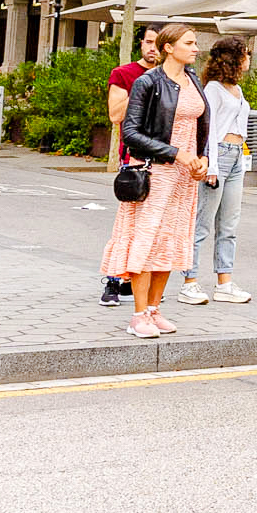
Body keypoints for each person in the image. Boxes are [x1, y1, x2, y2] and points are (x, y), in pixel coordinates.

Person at [103, 24, 216, 339]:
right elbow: (130, 132)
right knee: (147, 240)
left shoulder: (193, 79)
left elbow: (203, 126)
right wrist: (177, 153)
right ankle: (138, 315)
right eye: (189, 43)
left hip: (184, 175)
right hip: (154, 171)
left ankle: (154, 309)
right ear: (169, 47)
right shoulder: (148, 82)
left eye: (195, 43)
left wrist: (203, 158)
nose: (195, 48)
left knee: (170, 240)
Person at [178, 37, 253, 306]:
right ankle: (189, 282)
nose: (248, 59)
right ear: (233, 58)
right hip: (218, 154)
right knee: (202, 223)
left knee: (229, 224)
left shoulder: (237, 89)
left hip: (236, 156)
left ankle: (224, 283)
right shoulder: (213, 88)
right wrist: (210, 163)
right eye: (245, 54)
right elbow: (207, 128)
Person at [101, 28, 162, 305]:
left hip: (165, 160)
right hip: (134, 160)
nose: (153, 48)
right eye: (148, 42)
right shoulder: (125, 74)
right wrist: (143, 86)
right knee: (128, 224)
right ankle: (113, 281)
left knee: (155, 228)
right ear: (140, 43)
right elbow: (115, 114)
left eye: (158, 44)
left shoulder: (175, 77)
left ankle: (135, 283)